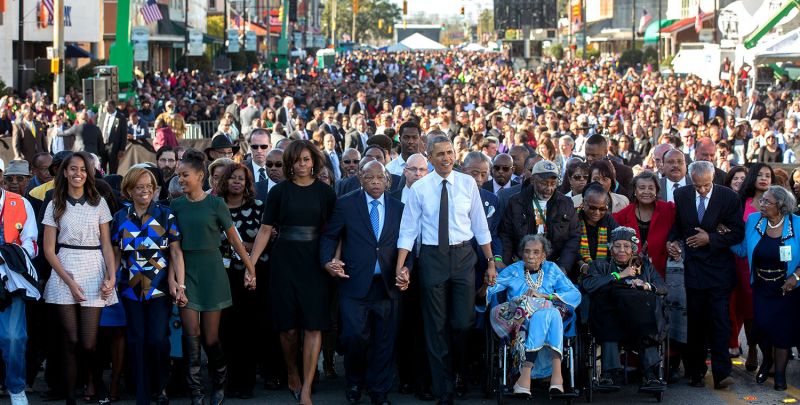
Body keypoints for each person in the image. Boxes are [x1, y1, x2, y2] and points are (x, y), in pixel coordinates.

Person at [396, 135, 494, 404]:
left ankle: (460, 372)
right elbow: (408, 231)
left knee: (463, 324)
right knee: (435, 327)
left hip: (464, 257)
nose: (446, 158)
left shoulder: (467, 184)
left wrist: (491, 262)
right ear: (429, 156)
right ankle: (444, 387)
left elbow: (480, 226)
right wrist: (400, 266)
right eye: (440, 154)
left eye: (450, 152)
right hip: (431, 258)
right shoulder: (420, 189)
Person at [249, 140, 337, 405]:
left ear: (314, 162)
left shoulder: (325, 193)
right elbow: (265, 230)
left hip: (315, 263)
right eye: (297, 160)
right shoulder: (279, 193)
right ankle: (291, 369)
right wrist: (251, 264)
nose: (302, 165)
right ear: (290, 163)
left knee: (313, 326)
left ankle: (307, 387)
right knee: (287, 329)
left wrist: (333, 260)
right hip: (284, 261)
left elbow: (334, 233)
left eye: (306, 160)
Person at [320, 160, 410, 405]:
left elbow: (407, 244)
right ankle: (354, 382)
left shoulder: (399, 208)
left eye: (380, 178)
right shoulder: (346, 204)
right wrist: (328, 261)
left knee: (384, 341)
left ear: (387, 180)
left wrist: (406, 269)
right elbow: (330, 236)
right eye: (369, 178)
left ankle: (378, 390)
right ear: (360, 178)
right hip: (354, 284)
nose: (375, 183)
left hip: (388, 285)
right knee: (355, 338)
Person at [170, 149, 256, 405]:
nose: (181, 180)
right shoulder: (176, 205)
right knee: (190, 334)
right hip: (187, 271)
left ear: (199, 176)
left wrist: (251, 269)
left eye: (185, 175)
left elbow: (234, 239)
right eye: (178, 176)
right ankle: (196, 390)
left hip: (213, 273)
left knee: (210, 337)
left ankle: (220, 379)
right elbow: (174, 249)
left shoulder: (216, 204)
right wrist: (177, 281)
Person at [41, 151, 118, 405]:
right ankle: (71, 396)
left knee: (88, 343)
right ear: (64, 172)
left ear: (89, 173)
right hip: (64, 270)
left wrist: (111, 277)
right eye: (73, 169)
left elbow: (107, 245)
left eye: (83, 169)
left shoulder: (99, 203)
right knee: (70, 340)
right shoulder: (55, 203)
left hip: (93, 268)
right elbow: (49, 250)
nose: (78, 174)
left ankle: (95, 384)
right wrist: (69, 281)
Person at [667, 160, 744, 389]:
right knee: (696, 322)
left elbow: (737, 233)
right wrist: (672, 242)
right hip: (694, 269)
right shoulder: (681, 195)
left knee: (719, 321)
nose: (702, 190)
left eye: (706, 185)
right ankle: (695, 371)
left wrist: (710, 238)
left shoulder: (728, 197)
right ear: (690, 180)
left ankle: (722, 373)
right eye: (697, 186)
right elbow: (678, 227)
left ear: (713, 179)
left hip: (719, 269)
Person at [111, 167, 183, 405]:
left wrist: (178, 284)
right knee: (136, 340)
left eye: (149, 187)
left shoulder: (165, 214)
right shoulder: (120, 217)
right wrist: (110, 279)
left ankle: (160, 386)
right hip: (130, 288)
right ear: (129, 190)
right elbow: (114, 252)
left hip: (160, 286)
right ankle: (142, 394)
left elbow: (175, 252)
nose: (145, 191)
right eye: (139, 187)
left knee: (157, 340)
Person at [482, 234, 580, 397]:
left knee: (548, 312)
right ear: (522, 253)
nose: (531, 256)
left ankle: (525, 376)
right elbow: (492, 288)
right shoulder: (513, 270)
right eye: (527, 251)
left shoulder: (552, 269)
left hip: (548, 317)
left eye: (536, 252)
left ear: (544, 255)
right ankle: (557, 376)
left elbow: (574, 293)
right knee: (550, 313)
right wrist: (486, 287)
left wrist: (545, 297)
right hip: (521, 319)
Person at [732, 185, 800, 391]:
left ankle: (780, 375)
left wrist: (796, 277)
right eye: (761, 201)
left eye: (766, 202)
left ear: (780, 206)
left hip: (787, 289)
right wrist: (724, 238)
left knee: (782, 332)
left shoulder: (797, 224)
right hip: (761, 287)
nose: (761, 205)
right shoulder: (754, 221)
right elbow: (743, 250)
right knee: (762, 328)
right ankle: (767, 361)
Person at [582, 227, 667, 390]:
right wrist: (618, 276)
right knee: (608, 321)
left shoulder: (645, 267)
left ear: (633, 249)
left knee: (647, 323)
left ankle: (651, 374)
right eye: (617, 246)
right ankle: (608, 374)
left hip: (639, 320)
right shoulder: (600, 265)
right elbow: (588, 285)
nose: (622, 250)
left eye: (626, 246)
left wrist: (647, 285)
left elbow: (663, 287)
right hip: (610, 320)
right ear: (611, 248)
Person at [215, 163, 264, 399]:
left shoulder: (257, 208)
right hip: (221, 277)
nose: (237, 182)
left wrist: (242, 247)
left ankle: (246, 383)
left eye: (241, 179)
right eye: (233, 178)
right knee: (226, 331)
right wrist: (242, 245)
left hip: (250, 276)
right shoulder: (215, 207)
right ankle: (229, 381)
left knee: (249, 330)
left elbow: (266, 242)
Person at [0, 163, 39, 405]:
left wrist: (7, 256)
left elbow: (31, 243)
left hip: (11, 279)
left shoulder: (20, 202)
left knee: (14, 337)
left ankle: (16, 388)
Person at [499, 159, 579, 272]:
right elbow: (506, 235)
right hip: (522, 264)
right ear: (532, 180)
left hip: (554, 265)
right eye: (544, 183)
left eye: (553, 184)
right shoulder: (516, 202)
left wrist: (563, 266)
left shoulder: (565, 203)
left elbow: (574, 237)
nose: (549, 188)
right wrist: (506, 265)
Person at [731, 163, 774, 365]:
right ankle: (752, 349)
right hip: (744, 263)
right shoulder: (741, 202)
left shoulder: (778, 203)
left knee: (769, 308)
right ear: (753, 178)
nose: (764, 178)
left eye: (768, 175)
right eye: (760, 175)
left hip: (772, 262)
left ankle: (770, 354)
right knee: (749, 309)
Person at [613, 172, 676, 277]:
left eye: (651, 188)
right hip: (630, 273)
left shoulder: (668, 210)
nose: (647, 192)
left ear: (656, 191)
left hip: (660, 273)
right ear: (634, 191)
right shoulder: (623, 215)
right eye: (642, 188)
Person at [96, 100, 127, 174]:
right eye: (105, 106)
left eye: (108, 106)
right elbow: (99, 129)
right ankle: (103, 181)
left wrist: (122, 149)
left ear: (113, 107)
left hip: (114, 147)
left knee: (113, 169)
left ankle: (111, 184)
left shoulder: (120, 117)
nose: (106, 108)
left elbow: (124, 134)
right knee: (101, 169)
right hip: (102, 146)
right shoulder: (103, 115)